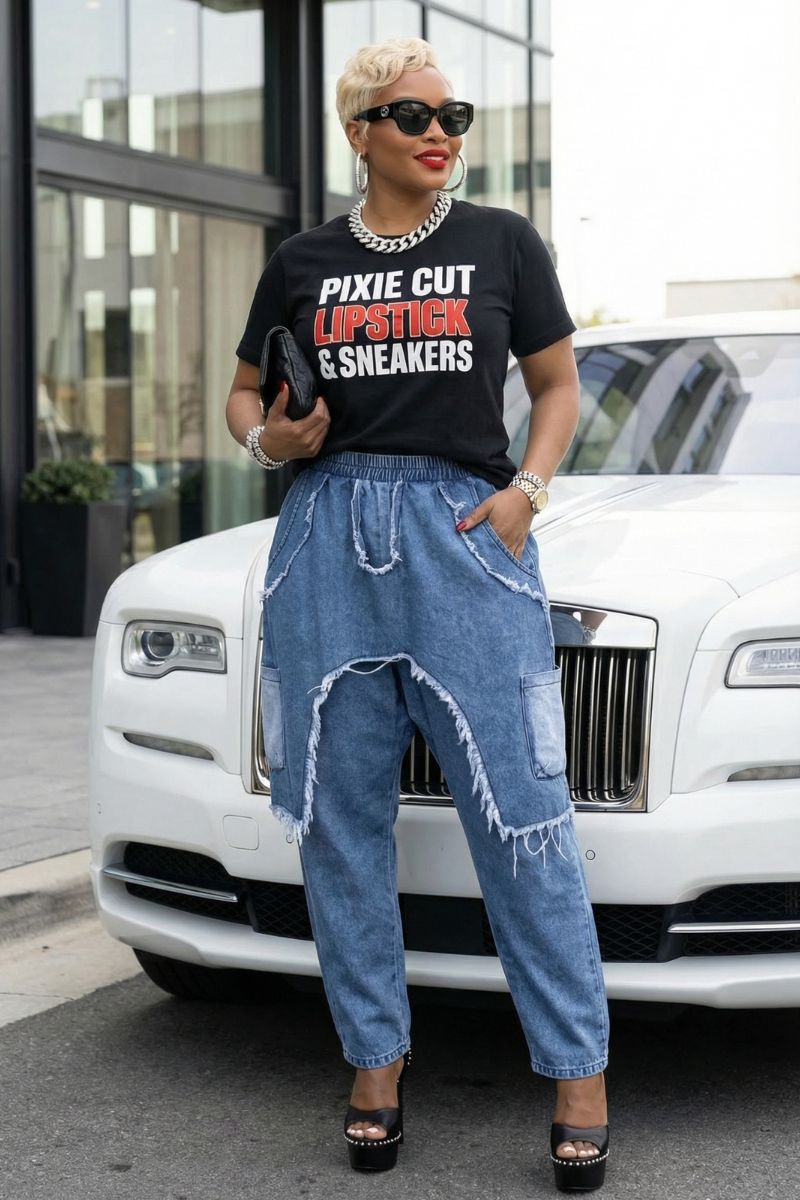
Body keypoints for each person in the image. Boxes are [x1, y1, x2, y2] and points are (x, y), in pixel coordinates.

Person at [226, 37, 610, 1192]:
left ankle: (577, 1069)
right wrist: (269, 440)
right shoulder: (302, 257)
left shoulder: (500, 241)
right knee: (339, 821)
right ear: (359, 131)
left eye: (454, 114)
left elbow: (554, 383)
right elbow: (245, 391)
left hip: (460, 536)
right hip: (323, 539)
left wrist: (522, 498)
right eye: (410, 115)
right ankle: (374, 1063)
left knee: (522, 813)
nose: (438, 132)